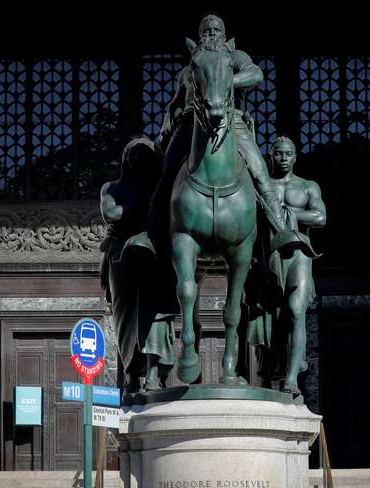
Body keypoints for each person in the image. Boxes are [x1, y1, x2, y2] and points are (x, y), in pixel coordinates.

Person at [146, 13, 285, 253]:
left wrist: (223, 82)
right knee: (166, 175)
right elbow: (178, 100)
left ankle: (282, 232)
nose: (211, 33)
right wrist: (171, 115)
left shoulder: (235, 56)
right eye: (206, 30)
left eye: (216, 29)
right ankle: (151, 236)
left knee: (260, 172)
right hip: (190, 124)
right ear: (199, 36)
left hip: (232, 122)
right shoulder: (190, 68)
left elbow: (255, 74)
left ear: (224, 34)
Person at [247, 136, 327, 394]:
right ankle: (271, 376)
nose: (282, 158)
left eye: (287, 153)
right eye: (278, 153)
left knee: (295, 311)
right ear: (271, 157)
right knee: (270, 319)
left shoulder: (307, 186)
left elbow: (320, 216)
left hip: (299, 253)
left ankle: (291, 379)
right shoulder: (261, 185)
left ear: (295, 157)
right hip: (268, 257)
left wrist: (289, 215)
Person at [100, 138, 175, 392]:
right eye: (134, 153)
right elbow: (110, 213)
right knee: (125, 318)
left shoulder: (161, 188)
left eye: (145, 154)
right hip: (122, 257)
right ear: (125, 159)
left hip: (154, 254)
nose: (139, 158)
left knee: (156, 313)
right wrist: (144, 204)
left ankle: (154, 371)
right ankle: (131, 372)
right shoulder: (112, 188)